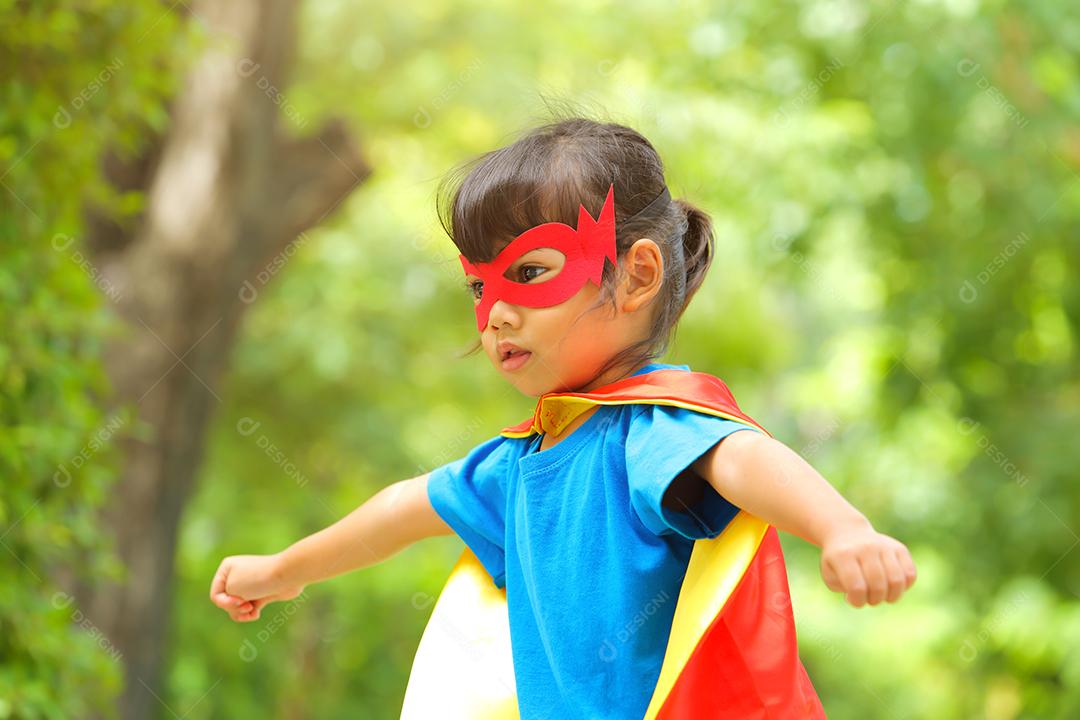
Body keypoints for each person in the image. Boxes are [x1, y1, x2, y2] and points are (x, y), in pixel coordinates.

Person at [210, 117, 917, 718]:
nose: (497, 315)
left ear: (637, 275)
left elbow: (739, 455)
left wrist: (842, 528)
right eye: (479, 287)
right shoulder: (520, 464)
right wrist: (283, 570)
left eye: (529, 272)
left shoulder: (649, 433)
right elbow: (403, 509)